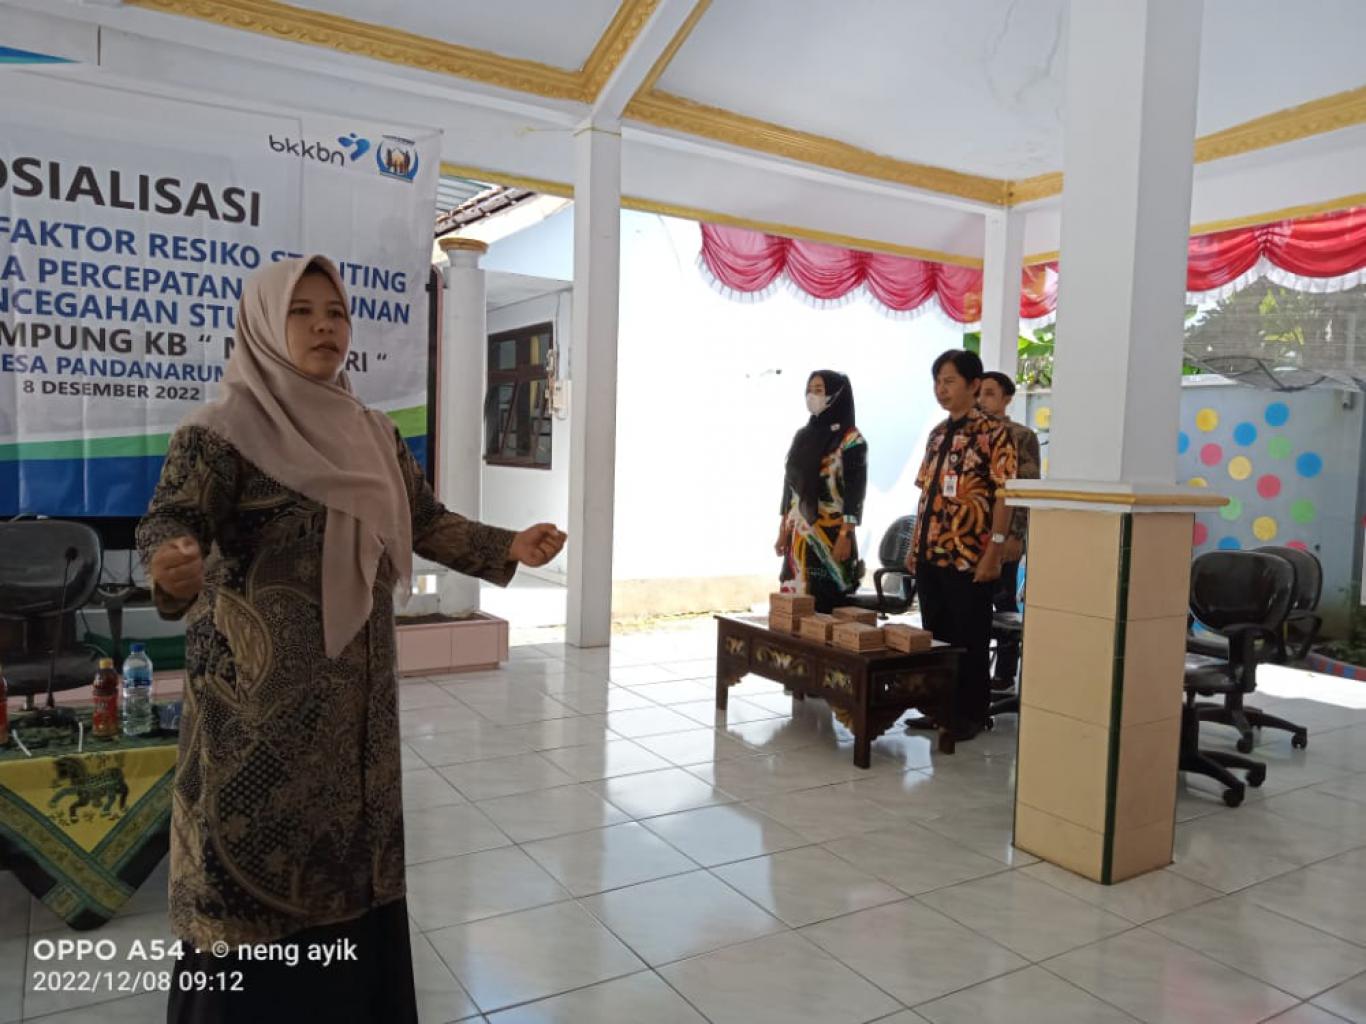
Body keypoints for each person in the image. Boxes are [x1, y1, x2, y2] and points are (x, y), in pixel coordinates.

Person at [137, 256, 566, 1022]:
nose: (323, 326)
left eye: (334, 311)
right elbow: (172, 519)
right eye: (300, 312)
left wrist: (507, 545)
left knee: (352, 877)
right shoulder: (220, 436)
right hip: (255, 727)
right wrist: (170, 565)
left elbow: (424, 519)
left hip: (355, 720)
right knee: (255, 893)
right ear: (263, 325)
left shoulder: (372, 433)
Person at [904, 350, 1017, 739]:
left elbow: (1005, 495)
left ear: (973, 384)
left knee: (969, 637)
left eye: (949, 381)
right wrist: (915, 544)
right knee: (935, 636)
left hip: (970, 554)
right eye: (937, 381)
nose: (941, 389)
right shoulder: (938, 433)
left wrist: (995, 549)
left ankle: (970, 715)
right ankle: (938, 709)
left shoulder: (995, 433)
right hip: (931, 552)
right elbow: (926, 493)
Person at [776, 370, 867, 613]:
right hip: (799, 535)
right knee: (795, 607)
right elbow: (789, 486)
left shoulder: (851, 440)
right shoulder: (802, 436)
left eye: (819, 390)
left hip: (832, 537)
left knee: (826, 607)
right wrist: (782, 530)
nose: (812, 395)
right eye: (810, 389)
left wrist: (846, 534)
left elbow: (855, 492)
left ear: (836, 395)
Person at [977, 370, 1041, 689]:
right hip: (972, 535)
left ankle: (1004, 673)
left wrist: (1015, 535)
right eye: (979, 392)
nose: (982, 399)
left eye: (990, 393)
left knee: (1002, 603)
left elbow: (1023, 490)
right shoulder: (970, 434)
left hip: (1004, 535)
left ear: (1007, 399)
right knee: (973, 606)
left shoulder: (1021, 436)